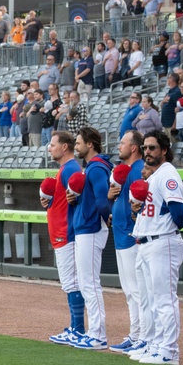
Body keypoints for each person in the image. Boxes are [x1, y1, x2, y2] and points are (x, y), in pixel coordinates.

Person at [129, 130, 183, 365]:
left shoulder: (167, 174)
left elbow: (179, 214)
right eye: (145, 148)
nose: (148, 152)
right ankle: (156, 344)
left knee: (164, 299)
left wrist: (163, 220)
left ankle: (170, 350)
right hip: (146, 242)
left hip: (163, 241)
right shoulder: (153, 176)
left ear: (164, 149)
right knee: (152, 300)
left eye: (152, 148)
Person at [67, 126, 113, 350]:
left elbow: (103, 200)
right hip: (86, 227)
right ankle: (95, 333)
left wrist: (106, 218)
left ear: (90, 144)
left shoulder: (96, 168)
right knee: (87, 283)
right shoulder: (92, 167)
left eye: (78, 143)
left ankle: (98, 334)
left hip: (92, 228)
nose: (76, 146)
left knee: (90, 283)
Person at [44, 130, 87, 346]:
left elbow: (78, 199)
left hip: (66, 232)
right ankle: (75, 327)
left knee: (72, 283)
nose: (49, 148)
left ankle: (78, 329)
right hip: (61, 231)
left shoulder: (71, 168)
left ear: (64, 147)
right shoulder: (65, 169)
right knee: (69, 283)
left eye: (52, 144)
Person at [107, 130, 147, 354]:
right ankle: (135, 335)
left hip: (132, 237)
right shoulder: (125, 171)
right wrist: (111, 198)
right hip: (121, 235)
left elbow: (142, 203)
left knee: (136, 291)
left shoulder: (138, 169)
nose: (118, 146)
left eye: (123, 143)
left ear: (133, 147)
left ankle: (141, 336)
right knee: (129, 290)